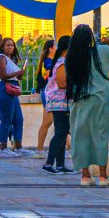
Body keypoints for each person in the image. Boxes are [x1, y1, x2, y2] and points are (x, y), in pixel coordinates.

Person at [66, 24, 109, 187]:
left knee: (81, 136)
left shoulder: (72, 56)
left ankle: (85, 176)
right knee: (100, 134)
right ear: (91, 37)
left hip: (80, 100)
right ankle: (103, 176)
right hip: (101, 99)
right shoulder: (101, 51)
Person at [42, 35, 71, 174]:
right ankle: (48, 163)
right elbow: (62, 83)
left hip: (62, 102)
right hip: (59, 102)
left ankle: (60, 164)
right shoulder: (62, 63)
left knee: (63, 132)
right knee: (60, 132)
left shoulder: (62, 61)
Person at [0, 37, 26, 155]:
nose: (10, 47)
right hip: (4, 88)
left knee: (18, 119)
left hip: (13, 89)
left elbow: (13, 76)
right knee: (6, 119)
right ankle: (3, 147)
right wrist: (17, 73)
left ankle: (19, 146)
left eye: (12, 45)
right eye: (8, 45)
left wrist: (19, 75)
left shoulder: (11, 59)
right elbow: (3, 75)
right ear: (2, 47)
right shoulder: (1, 58)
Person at [34, 38, 56, 152]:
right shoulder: (48, 61)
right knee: (47, 122)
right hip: (49, 94)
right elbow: (49, 74)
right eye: (55, 46)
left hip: (50, 93)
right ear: (51, 49)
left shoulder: (51, 60)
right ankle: (39, 149)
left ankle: (69, 147)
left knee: (58, 123)